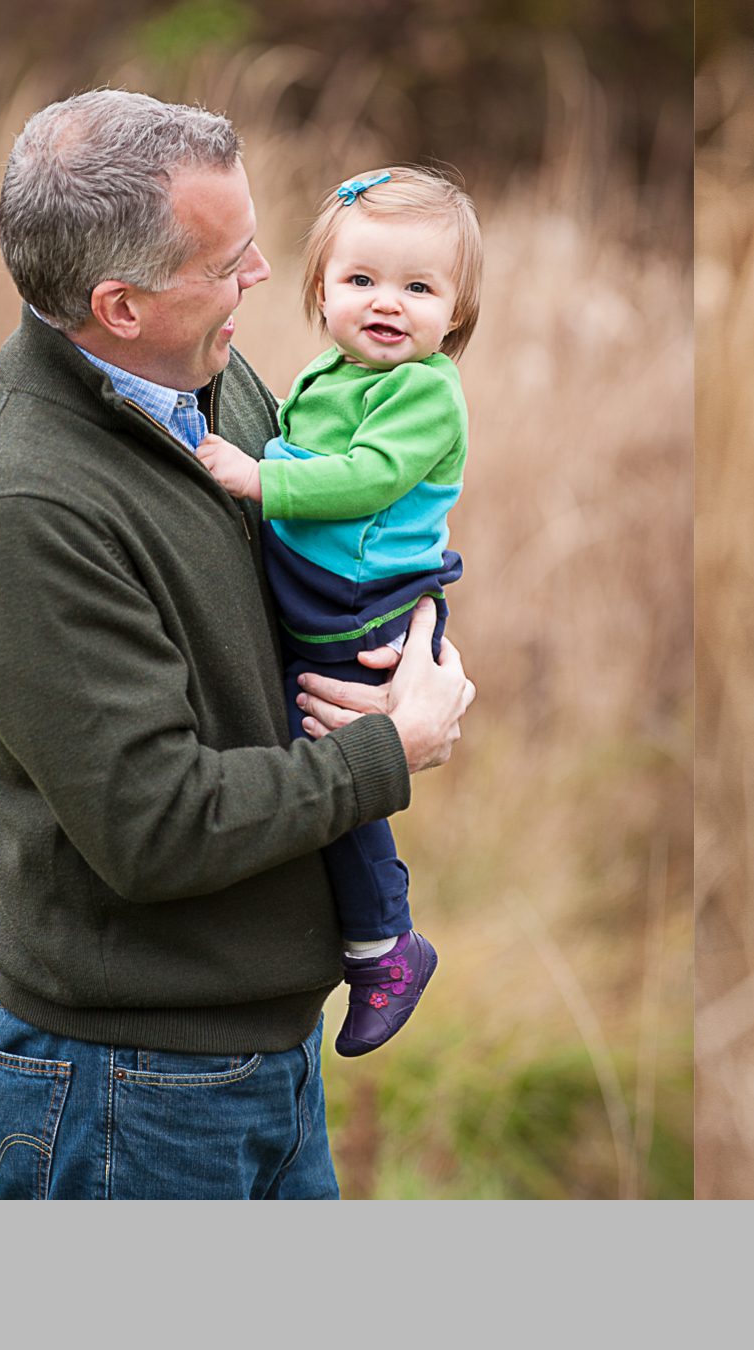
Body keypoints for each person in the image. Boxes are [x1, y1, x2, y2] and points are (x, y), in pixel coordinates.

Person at [0, 89, 474, 1199]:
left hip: (267, 1057)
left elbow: (307, 571)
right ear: (118, 306)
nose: (265, 278)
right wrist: (389, 751)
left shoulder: (209, 382)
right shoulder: (28, 511)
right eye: (228, 263)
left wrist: (405, 652)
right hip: (131, 1089)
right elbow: (155, 826)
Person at [192, 165, 483, 1056]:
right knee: (299, 743)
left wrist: (258, 477)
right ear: (319, 290)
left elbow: (367, 477)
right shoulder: (328, 371)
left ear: (455, 312)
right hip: (320, 599)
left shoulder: (424, 391)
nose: (387, 303)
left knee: (336, 757)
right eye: (361, 280)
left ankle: (385, 942)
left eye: (419, 287)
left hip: (356, 612)